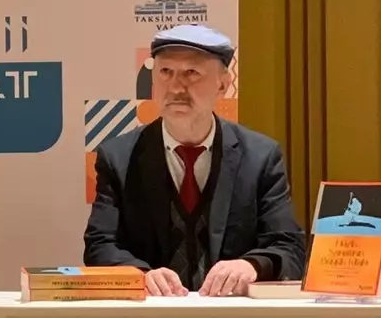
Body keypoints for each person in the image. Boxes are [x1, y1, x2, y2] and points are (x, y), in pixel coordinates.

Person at [83, 24, 306, 296]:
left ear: (223, 85)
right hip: (151, 314)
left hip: (234, 313)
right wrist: (140, 274)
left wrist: (252, 266)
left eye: (191, 73)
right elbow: (99, 246)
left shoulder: (260, 157)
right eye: (166, 72)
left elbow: (288, 247)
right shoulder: (118, 158)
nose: (176, 87)